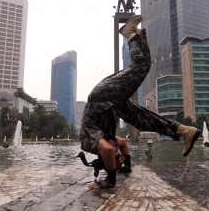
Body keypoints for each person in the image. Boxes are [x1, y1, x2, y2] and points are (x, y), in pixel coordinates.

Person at [79, 15, 201, 189]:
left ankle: (130, 34)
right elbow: (122, 143)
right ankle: (183, 131)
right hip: (112, 104)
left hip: (102, 96)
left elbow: (108, 150)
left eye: (117, 162)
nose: (117, 156)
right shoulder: (109, 141)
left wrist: (110, 180)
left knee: (140, 67)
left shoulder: (90, 142)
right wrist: (127, 165)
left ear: (106, 162)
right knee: (143, 119)